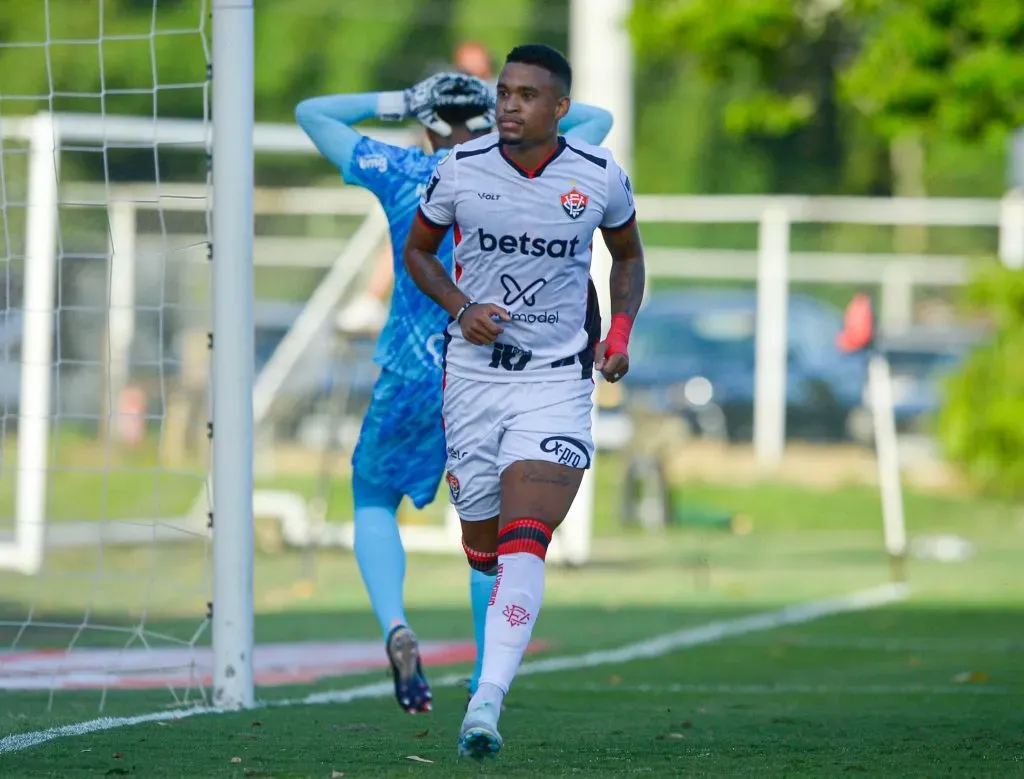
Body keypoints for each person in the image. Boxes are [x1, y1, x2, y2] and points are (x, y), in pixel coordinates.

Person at [294, 72, 614, 715]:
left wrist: (395, 101)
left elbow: (313, 112)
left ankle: (395, 626)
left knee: (374, 497)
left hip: (414, 373)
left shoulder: (406, 170)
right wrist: (509, 112)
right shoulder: (501, 165)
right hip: (495, 372)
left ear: (426, 122)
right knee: (493, 535)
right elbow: (595, 121)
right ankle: (480, 677)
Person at [403, 43, 646, 759]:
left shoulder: (599, 175)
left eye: (526, 95)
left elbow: (628, 255)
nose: (509, 104)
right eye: (504, 92)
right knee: (483, 545)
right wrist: (458, 305)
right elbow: (419, 251)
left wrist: (621, 332)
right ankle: (491, 648)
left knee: (526, 536)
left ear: (560, 108)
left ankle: (487, 699)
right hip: (474, 378)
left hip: (556, 380)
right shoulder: (458, 169)